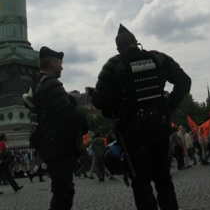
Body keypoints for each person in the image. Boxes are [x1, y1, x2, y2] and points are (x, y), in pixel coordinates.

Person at [91, 24, 191, 210]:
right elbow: (184, 81)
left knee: (141, 182)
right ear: (136, 42)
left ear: (118, 49)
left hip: (132, 132)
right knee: (163, 179)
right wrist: (168, 107)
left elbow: (98, 102)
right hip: (159, 126)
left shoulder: (112, 66)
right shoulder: (158, 58)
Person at [25, 46, 88, 210]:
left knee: (62, 189)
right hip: (58, 144)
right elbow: (66, 113)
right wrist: (83, 122)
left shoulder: (36, 84)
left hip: (48, 143)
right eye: (60, 63)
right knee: (63, 191)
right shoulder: (52, 84)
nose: (62, 67)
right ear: (53, 64)